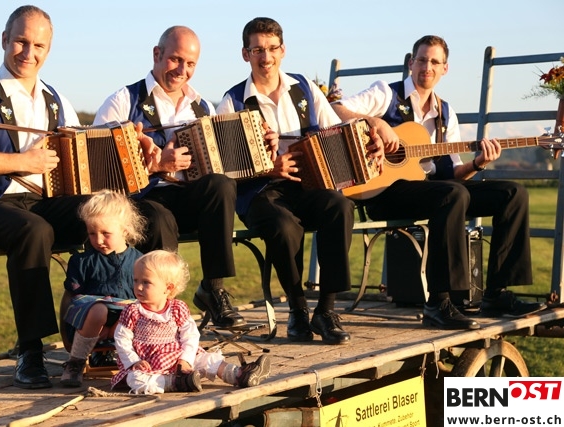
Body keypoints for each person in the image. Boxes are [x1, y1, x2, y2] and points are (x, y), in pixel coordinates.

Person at [332, 35, 546, 330]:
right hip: (383, 192)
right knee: (452, 194)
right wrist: (376, 122)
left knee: (512, 193)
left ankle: (496, 294)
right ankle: (439, 303)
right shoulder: (386, 93)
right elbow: (336, 108)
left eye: (434, 62)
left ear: (445, 69)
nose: (427, 67)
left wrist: (478, 163)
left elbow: (453, 174)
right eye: (422, 60)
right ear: (411, 63)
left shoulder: (446, 113)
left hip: (433, 189)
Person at [0, 5, 93, 389]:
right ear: (5, 40)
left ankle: (101, 331)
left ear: (49, 49)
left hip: (42, 203)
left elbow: (79, 153)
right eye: (21, 41)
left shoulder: (56, 99)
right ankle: (30, 351)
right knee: (34, 230)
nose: (29, 52)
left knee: (101, 214)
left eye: (39, 45)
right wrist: (22, 162)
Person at [217, 17, 380, 344]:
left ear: (283, 50)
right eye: (257, 50)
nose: (266, 57)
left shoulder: (304, 88)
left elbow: (337, 131)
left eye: (272, 48)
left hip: (308, 185)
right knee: (283, 225)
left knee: (339, 206)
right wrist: (268, 168)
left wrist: (368, 137)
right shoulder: (232, 101)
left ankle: (326, 310)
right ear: (245, 54)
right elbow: (224, 167)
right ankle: (297, 309)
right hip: (260, 192)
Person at [93, 25, 244, 329]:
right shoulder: (123, 101)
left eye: (190, 64)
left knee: (220, 184)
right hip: (142, 199)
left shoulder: (202, 106)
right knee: (159, 218)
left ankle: (213, 289)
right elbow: (98, 169)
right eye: (175, 59)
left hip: (187, 200)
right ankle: (162, 313)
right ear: (157, 54)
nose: (182, 70)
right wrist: (156, 166)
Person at [112, 250, 271, 394]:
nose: (138, 287)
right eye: (135, 280)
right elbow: (121, 339)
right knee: (136, 379)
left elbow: (190, 336)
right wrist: (134, 362)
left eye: (146, 282)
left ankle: (239, 375)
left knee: (207, 360)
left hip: (178, 358)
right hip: (148, 363)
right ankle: (174, 383)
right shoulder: (133, 311)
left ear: (168, 288)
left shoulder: (177, 309)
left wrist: (186, 360)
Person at [59, 190, 146, 387]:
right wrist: (65, 335)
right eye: (92, 233)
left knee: (136, 309)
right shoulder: (82, 261)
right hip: (90, 322)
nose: (98, 240)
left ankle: (135, 361)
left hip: (125, 323)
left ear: (125, 230)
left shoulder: (140, 260)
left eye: (106, 234)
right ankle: (76, 362)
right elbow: (71, 297)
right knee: (99, 310)